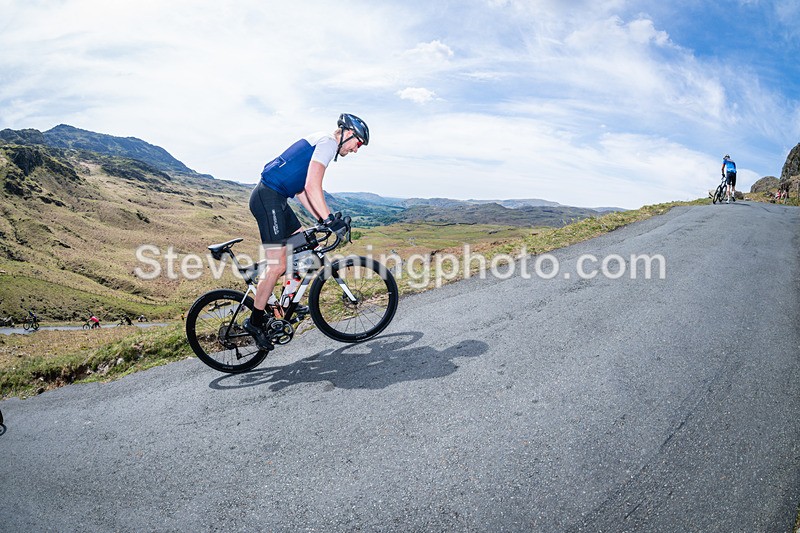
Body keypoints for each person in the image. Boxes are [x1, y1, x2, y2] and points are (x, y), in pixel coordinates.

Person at [244, 113, 369, 349]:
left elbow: (302, 193)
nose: (356, 150)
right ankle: (255, 322)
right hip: (267, 198)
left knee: (307, 248)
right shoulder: (328, 144)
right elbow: (313, 186)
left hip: (278, 200)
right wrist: (330, 219)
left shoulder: (322, 143)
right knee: (277, 265)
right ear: (348, 133)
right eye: (358, 144)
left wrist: (322, 220)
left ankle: (286, 302)